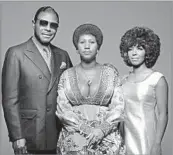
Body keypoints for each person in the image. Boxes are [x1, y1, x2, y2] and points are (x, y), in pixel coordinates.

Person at [1, 6, 73, 154]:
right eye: (43, 23)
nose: (48, 28)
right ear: (34, 23)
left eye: (53, 25)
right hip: (30, 134)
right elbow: (10, 100)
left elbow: (72, 92)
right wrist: (17, 136)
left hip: (59, 134)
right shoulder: (16, 53)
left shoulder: (62, 55)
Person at [55, 23, 125, 155]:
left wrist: (102, 130)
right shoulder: (66, 75)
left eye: (91, 42)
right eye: (82, 42)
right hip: (74, 141)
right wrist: (83, 128)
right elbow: (62, 108)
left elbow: (118, 106)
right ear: (77, 47)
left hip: (107, 141)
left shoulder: (111, 73)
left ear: (98, 47)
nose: (87, 46)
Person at [119, 26, 168, 155]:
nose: (134, 53)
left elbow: (163, 114)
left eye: (139, 48)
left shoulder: (157, 79)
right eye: (130, 49)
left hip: (146, 139)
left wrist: (157, 144)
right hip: (125, 139)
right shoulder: (122, 81)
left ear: (148, 51)